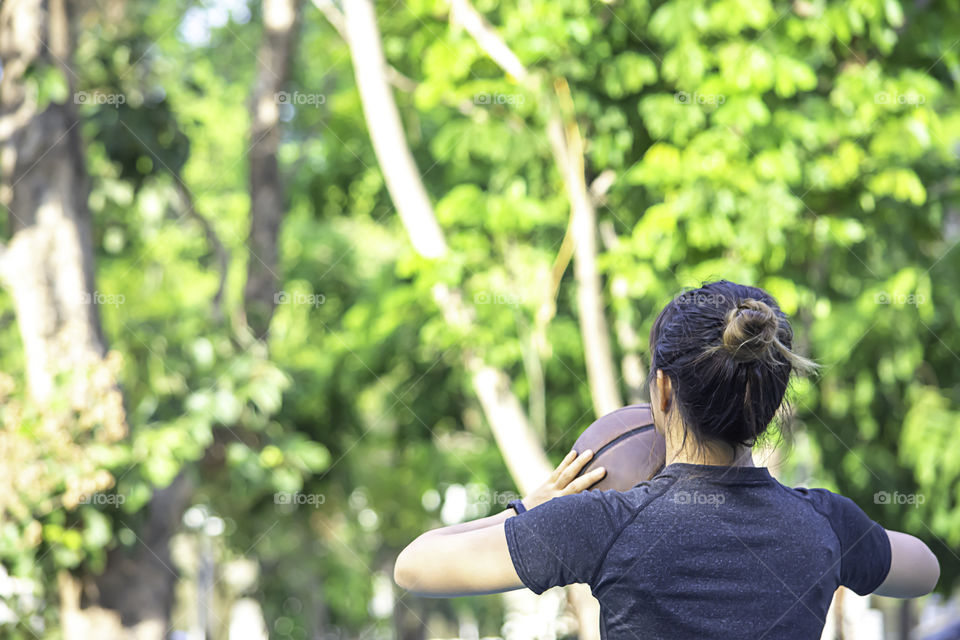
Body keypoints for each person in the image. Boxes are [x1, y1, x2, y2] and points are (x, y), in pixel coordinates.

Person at [393, 280, 940, 638]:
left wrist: (532, 507)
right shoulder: (825, 522)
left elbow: (414, 566)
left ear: (661, 391)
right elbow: (924, 569)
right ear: (773, 404)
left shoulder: (601, 524)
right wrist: (848, 543)